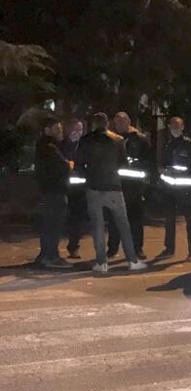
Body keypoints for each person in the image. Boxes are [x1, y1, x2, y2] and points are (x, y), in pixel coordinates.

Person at [78, 113, 147, 273]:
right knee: (123, 225)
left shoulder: (86, 140)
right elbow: (123, 163)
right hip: (114, 187)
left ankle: (101, 262)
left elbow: (79, 164)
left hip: (94, 187)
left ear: (94, 124)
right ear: (107, 123)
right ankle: (132, 260)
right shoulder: (118, 140)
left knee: (98, 226)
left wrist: (89, 176)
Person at [106, 112, 151, 259]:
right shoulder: (110, 139)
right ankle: (112, 249)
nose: (120, 125)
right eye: (117, 122)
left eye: (123, 122)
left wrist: (146, 183)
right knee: (114, 220)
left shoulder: (140, 139)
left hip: (135, 187)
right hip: (116, 186)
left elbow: (149, 162)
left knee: (135, 220)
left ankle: (137, 249)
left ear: (129, 122)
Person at [157, 116, 191, 262]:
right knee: (169, 221)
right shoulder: (168, 144)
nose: (175, 129)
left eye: (178, 127)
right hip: (170, 189)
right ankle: (169, 248)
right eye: (173, 127)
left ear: (182, 127)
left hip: (187, 190)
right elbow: (163, 164)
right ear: (169, 128)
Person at [34, 115, 73, 269]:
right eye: (57, 129)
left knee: (49, 224)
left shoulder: (46, 146)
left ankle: (46, 255)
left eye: (60, 128)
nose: (60, 131)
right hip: (54, 190)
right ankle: (51, 256)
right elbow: (64, 166)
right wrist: (69, 164)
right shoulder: (49, 147)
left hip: (49, 190)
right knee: (53, 224)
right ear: (47, 130)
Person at [61, 118, 87, 259]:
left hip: (79, 189)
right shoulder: (63, 145)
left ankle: (74, 247)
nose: (78, 132)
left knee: (77, 219)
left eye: (80, 129)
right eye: (76, 129)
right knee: (65, 218)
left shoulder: (84, 145)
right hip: (65, 187)